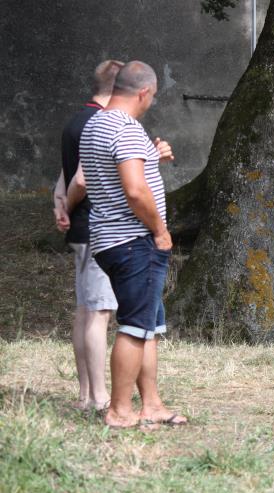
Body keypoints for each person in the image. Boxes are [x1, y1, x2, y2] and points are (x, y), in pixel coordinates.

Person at [79, 61, 186, 428]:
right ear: (143, 92)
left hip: (112, 239)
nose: (150, 103)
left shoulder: (96, 123)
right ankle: (120, 410)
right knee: (134, 326)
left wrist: (151, 157)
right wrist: (159, 230)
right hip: (133, 241)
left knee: (148, 326)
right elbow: (135, 191)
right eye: (152, 97)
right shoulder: (125, 128)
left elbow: (114, 174)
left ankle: (151, 403)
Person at [52, 59, 123, 411]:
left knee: (85, 312)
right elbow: (80, 179)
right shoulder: (103, 122)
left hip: (81, 231)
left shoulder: (74, 121)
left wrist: (60, 204)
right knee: (98, 315)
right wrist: (72, 201)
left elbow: (64, 175)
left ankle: (84, 395)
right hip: (98, 228)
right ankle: (98, 397)